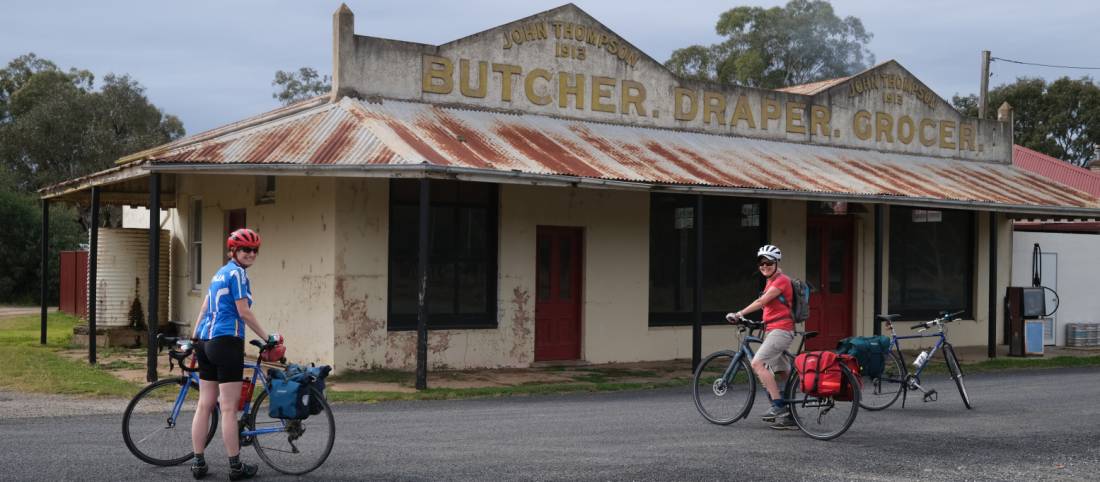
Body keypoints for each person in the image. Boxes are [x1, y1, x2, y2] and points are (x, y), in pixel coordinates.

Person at [189, 228, 280, 480]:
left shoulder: (219, 273)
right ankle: (236, 467)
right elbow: (244, 312)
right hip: (226, 341)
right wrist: (267, 337)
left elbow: (205, 306)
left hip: (205, 342)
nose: (250, 254)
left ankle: (198, 463)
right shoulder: (238, 274)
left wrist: (195, 337)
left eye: (254, 250)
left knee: (205, 404)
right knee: (228, 408)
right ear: (233, 251)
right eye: (245, 249)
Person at [726, 244, 797, 430]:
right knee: (782, 371)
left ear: (776, 263)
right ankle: (789, 415)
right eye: (761, 262)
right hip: (775, 329)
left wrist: (739, 313)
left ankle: (779, 408)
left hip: (781, 331)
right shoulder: (772, 280)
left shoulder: (781, 281)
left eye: (769, 262)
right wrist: (759, 323)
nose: (764, 266)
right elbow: (773, 308)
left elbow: (762, 302)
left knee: (757, 363)